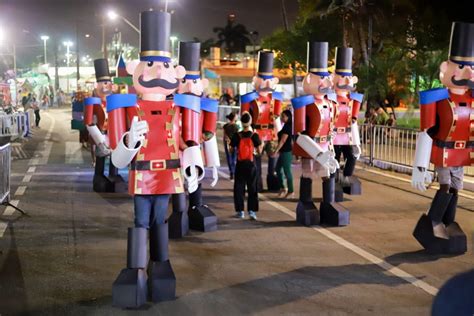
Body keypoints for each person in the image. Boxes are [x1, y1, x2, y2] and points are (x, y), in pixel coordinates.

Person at [231, 112, 263, 220]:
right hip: (251, 164)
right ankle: (252, 211)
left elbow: (231, 150)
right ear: (250, 122)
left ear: (241, 122)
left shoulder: (237, 135)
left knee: (239, 188)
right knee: (252, 187)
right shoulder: (254, 135)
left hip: (240, 164)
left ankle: (240, 211)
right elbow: (259, 151)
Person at [274, 109, 294, 198]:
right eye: (281, 116)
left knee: (287, 171)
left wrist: (276, 150)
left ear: (288, 117)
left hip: (286, 152)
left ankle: (291, 191)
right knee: (278, 169)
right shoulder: (285, 125)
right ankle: (283, 188)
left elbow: (283, 140)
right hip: (283, 151)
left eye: (283, 116)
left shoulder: (288, 127)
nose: (282, 118)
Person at [223, 112, 238, 179]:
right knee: (234, 158)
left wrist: (227, 140)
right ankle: (233, 171)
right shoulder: (236, 126)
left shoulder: (226, 126)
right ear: (234, 118)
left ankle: (231, 171)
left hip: (227, 143)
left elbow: (224, 135)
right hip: (234, 143)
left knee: (229, 158)